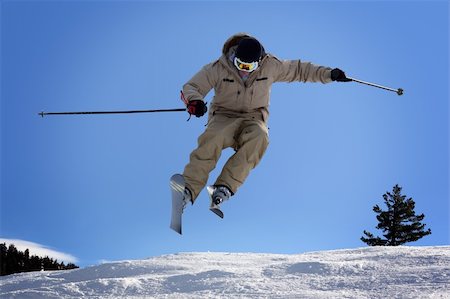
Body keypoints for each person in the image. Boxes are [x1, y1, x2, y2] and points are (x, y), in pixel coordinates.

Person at [178, 33, 351, 213]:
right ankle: (188, 190)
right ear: (233, 57)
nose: (244, 70)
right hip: (223, 116)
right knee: (213, 138)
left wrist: (329, 74)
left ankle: (224, 186)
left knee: (260, 137)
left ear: (259, 62)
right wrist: (195, 102)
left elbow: (300, 70)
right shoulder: (218, 68)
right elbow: (192, 87)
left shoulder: (271, 66)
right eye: (240, 65)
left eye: (249, 66)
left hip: (253, 118)